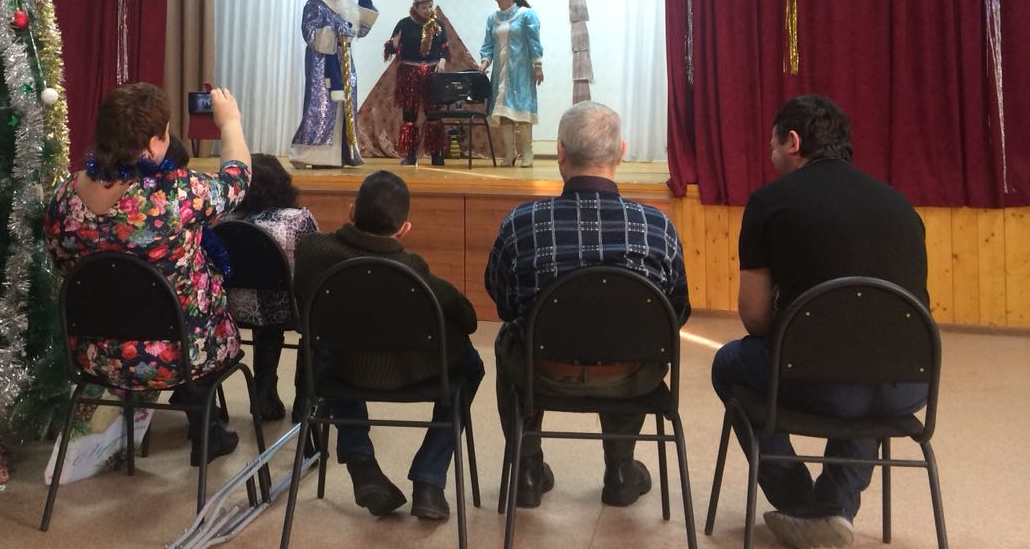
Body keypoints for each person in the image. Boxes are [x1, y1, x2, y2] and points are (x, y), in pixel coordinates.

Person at [711, 94, 929, 549]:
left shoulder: (769, 202)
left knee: (728, 364)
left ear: (793, 142)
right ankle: (834, 507)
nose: (771, 156)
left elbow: (755, 318)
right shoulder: (901, 206)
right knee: (870, 370)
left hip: (817, 382)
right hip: (909, 384)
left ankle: (800, 501)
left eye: (773, 146)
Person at [485, 101, 689, 510]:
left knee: (509, 339)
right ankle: (620, 470)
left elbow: (504, 303)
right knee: (636, 343)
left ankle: (526, 468)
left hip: (543, 373)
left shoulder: (520, 224)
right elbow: (676, 311)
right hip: (629, 376)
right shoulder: (657, 228)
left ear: (559, 151)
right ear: (622, 152)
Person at [44, 82, 251, 464]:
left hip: (94, 354)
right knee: (200, 302)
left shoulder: (64, 196)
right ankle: (205, 428)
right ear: (154, 145)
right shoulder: (174, 194)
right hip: (180, 354)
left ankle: (201, 423)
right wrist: (230, 123)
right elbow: (236, 181)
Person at [293, 171, 486, 522]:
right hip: (411, 375)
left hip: (340, 371)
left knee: (329, 344)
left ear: (351, 211)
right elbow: (468, 317)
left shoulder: (312, 251)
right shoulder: (412, 269)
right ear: (404, 229)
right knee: (471, 366)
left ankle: (360, 460)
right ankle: (429, 479)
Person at [222, 152, 319, 421]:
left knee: (265, 304)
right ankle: (304, 403)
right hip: (287, 310)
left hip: (233, 310)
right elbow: (313, 263)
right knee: (315, 313)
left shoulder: (226, 219)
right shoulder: (298, 219)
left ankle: (264, 393)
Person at [289, 0, 378, 168]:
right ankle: (310, 155)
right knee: (321, 107)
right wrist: (335, 31)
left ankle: (341, 155)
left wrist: (366, 9)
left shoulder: (344, 6)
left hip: (344, 61)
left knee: (345, 107)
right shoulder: (316, 4)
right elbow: (310, 33)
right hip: (323, 64)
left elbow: (359, 32)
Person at [480, 0, 543, 167]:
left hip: (521, 72)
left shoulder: (526, 15)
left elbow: (534, 42)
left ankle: (527, 153)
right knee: (504, 114)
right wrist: (485, 61)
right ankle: (509, 153)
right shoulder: (493, 19)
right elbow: (488, 45)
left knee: (522, 112)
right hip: (501, 73)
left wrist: (538, 66)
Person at [384, 0, 449, 166]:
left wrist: (442, 61)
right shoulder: (404, 24)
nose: (428, 10)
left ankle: (436, 153)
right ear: (415, 7)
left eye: (430, 6)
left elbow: (445, 49)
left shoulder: (438, 26)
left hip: (432, 74)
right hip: (409, 73)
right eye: (424, 7)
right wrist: (393, 45)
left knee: (434, 115)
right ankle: (410, 155)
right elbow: (390, 49)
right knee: (409, 116)